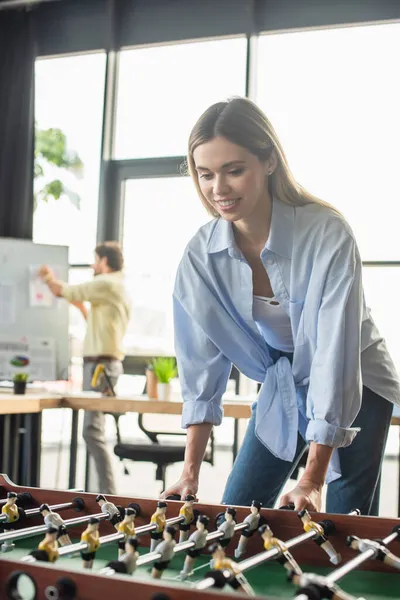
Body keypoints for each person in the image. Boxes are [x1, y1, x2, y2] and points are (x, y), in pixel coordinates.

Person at [162, 97, 400, 515]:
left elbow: (334, 354)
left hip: (357, 381)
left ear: (269, 161)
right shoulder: (201, 255)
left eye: (234, 171)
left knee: (340, 522)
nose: (218, 189)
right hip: (283, 381)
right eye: (205, 174)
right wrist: (189, 472)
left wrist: (311, 481)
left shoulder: (327, 234)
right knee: (236, 513)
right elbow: (202, 369)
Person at [39, 241, 131, 495]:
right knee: (93, 431)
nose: (92, 265)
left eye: (94, 260)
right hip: (103, 364)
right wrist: (79, 305)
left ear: (103, 261)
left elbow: (63, 290)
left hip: (101, 365)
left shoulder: (106, 283)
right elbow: (95, 320)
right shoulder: (116, 287)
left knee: (92, 431)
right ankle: (105, 491)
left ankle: (108, 493)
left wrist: (46, 276)